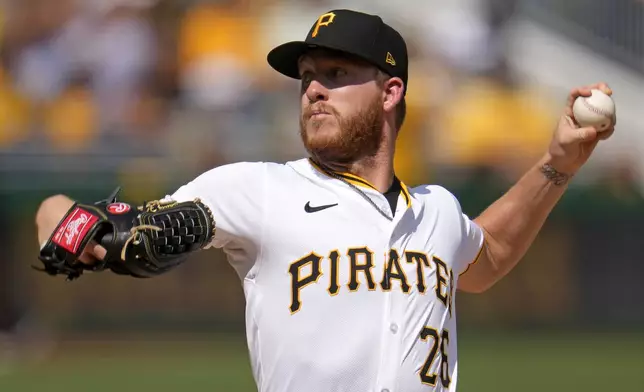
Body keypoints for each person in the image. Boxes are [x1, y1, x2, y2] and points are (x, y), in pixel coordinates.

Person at [34, 9, 615, 392]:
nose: (313, 87)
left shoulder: (436, 209)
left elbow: (486, 258)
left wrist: (557, 164)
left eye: (336, 73)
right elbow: (114, 231)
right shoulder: (258, 190)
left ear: (391, 92)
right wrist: (65, 223)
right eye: (307, 76)